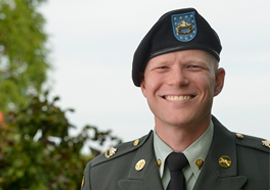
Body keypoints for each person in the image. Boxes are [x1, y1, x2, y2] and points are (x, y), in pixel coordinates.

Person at [81, 8, 270, 190]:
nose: (178, 80)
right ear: (144, 84)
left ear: (218, 82)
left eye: (194, 66)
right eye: (162, 68)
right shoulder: (101, 176)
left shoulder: (264, 167)